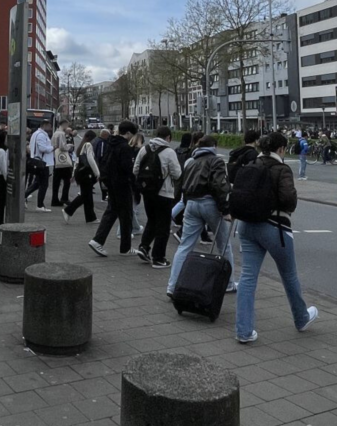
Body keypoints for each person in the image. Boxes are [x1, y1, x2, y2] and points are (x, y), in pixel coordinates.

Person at [233, 131, 318, 343]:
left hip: (246, 225)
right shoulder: (281, 169)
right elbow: (289, 200)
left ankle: (243, 330)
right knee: (289, 275)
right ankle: (301, 318)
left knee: (247, 277)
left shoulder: (251, 164)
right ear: (281, 149)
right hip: (274, 228)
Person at [165, 134, 235, 293]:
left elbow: (182, 184)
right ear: (214, 147)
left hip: (191, 204)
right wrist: (225, 209)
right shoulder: (215, 161)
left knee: (185, 246)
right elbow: (219, 185)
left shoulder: (192, 162)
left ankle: (172, 286)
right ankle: (229, 283)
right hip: (210, 203)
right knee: (223, 245)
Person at [88, 120, 139, 257]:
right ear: (128, 133)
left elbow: (104, 162)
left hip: (111, 183)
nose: (132, 138)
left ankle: (98, 240)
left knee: (112, 212)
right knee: (126, 215)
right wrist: (134, 184)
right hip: (122, 184)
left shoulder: (110, 143)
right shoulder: (125, 147)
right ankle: (124, 248)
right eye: (132, 135)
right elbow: (128, 169)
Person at [134, 126, 182, 269]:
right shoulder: (169, 152)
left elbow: (135, 169)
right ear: (168, 138)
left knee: (152, 220)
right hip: (164, 193)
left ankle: (144, 246)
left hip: (147, 192)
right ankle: (158, 258)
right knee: (163, 226)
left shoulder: (144, 149)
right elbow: (177, 174)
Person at [64, 130, 100, 224]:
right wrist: (97, 172)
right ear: (91, 138)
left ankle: (91, 217)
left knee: (87, 196)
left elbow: (77, 162)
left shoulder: (81, 146)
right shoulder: (88, 145)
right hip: (87, 174)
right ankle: (68, 210)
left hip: (80, 174)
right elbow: (91, 160)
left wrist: (73, 175)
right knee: (85, 196)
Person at [26, 120, 54, 211]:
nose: (50, 128)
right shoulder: (41, 135)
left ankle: (23, 197)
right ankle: (40, 205)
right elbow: (42, 148)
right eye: (49, 126)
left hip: (37, 161)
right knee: (44, 184)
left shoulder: (35, 134)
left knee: (37, 183)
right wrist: (53, 147)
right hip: (42, 163)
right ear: (44, 125)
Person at [50, 120, 74, 207]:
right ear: (63, 124)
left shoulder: (55, 133)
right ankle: (64, 198)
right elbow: (63, 147)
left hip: (56, 158)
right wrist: (70, 146)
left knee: (56, 181)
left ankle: (54, 199)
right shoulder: (61, 134)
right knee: (67, 180)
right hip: (62, 159)